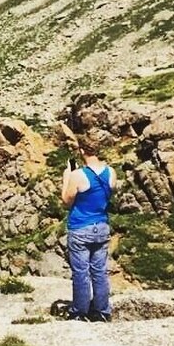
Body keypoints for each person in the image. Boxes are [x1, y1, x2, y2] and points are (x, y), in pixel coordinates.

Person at [61, 135, 115, 322]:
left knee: (81, 272)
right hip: (101, 226)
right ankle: (102, 311)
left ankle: (79, 312)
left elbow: (66, 202)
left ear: (82, 151)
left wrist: (66, 177)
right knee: (99, 270)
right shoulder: (111, 172)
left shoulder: (78, 175)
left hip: (80, 227)